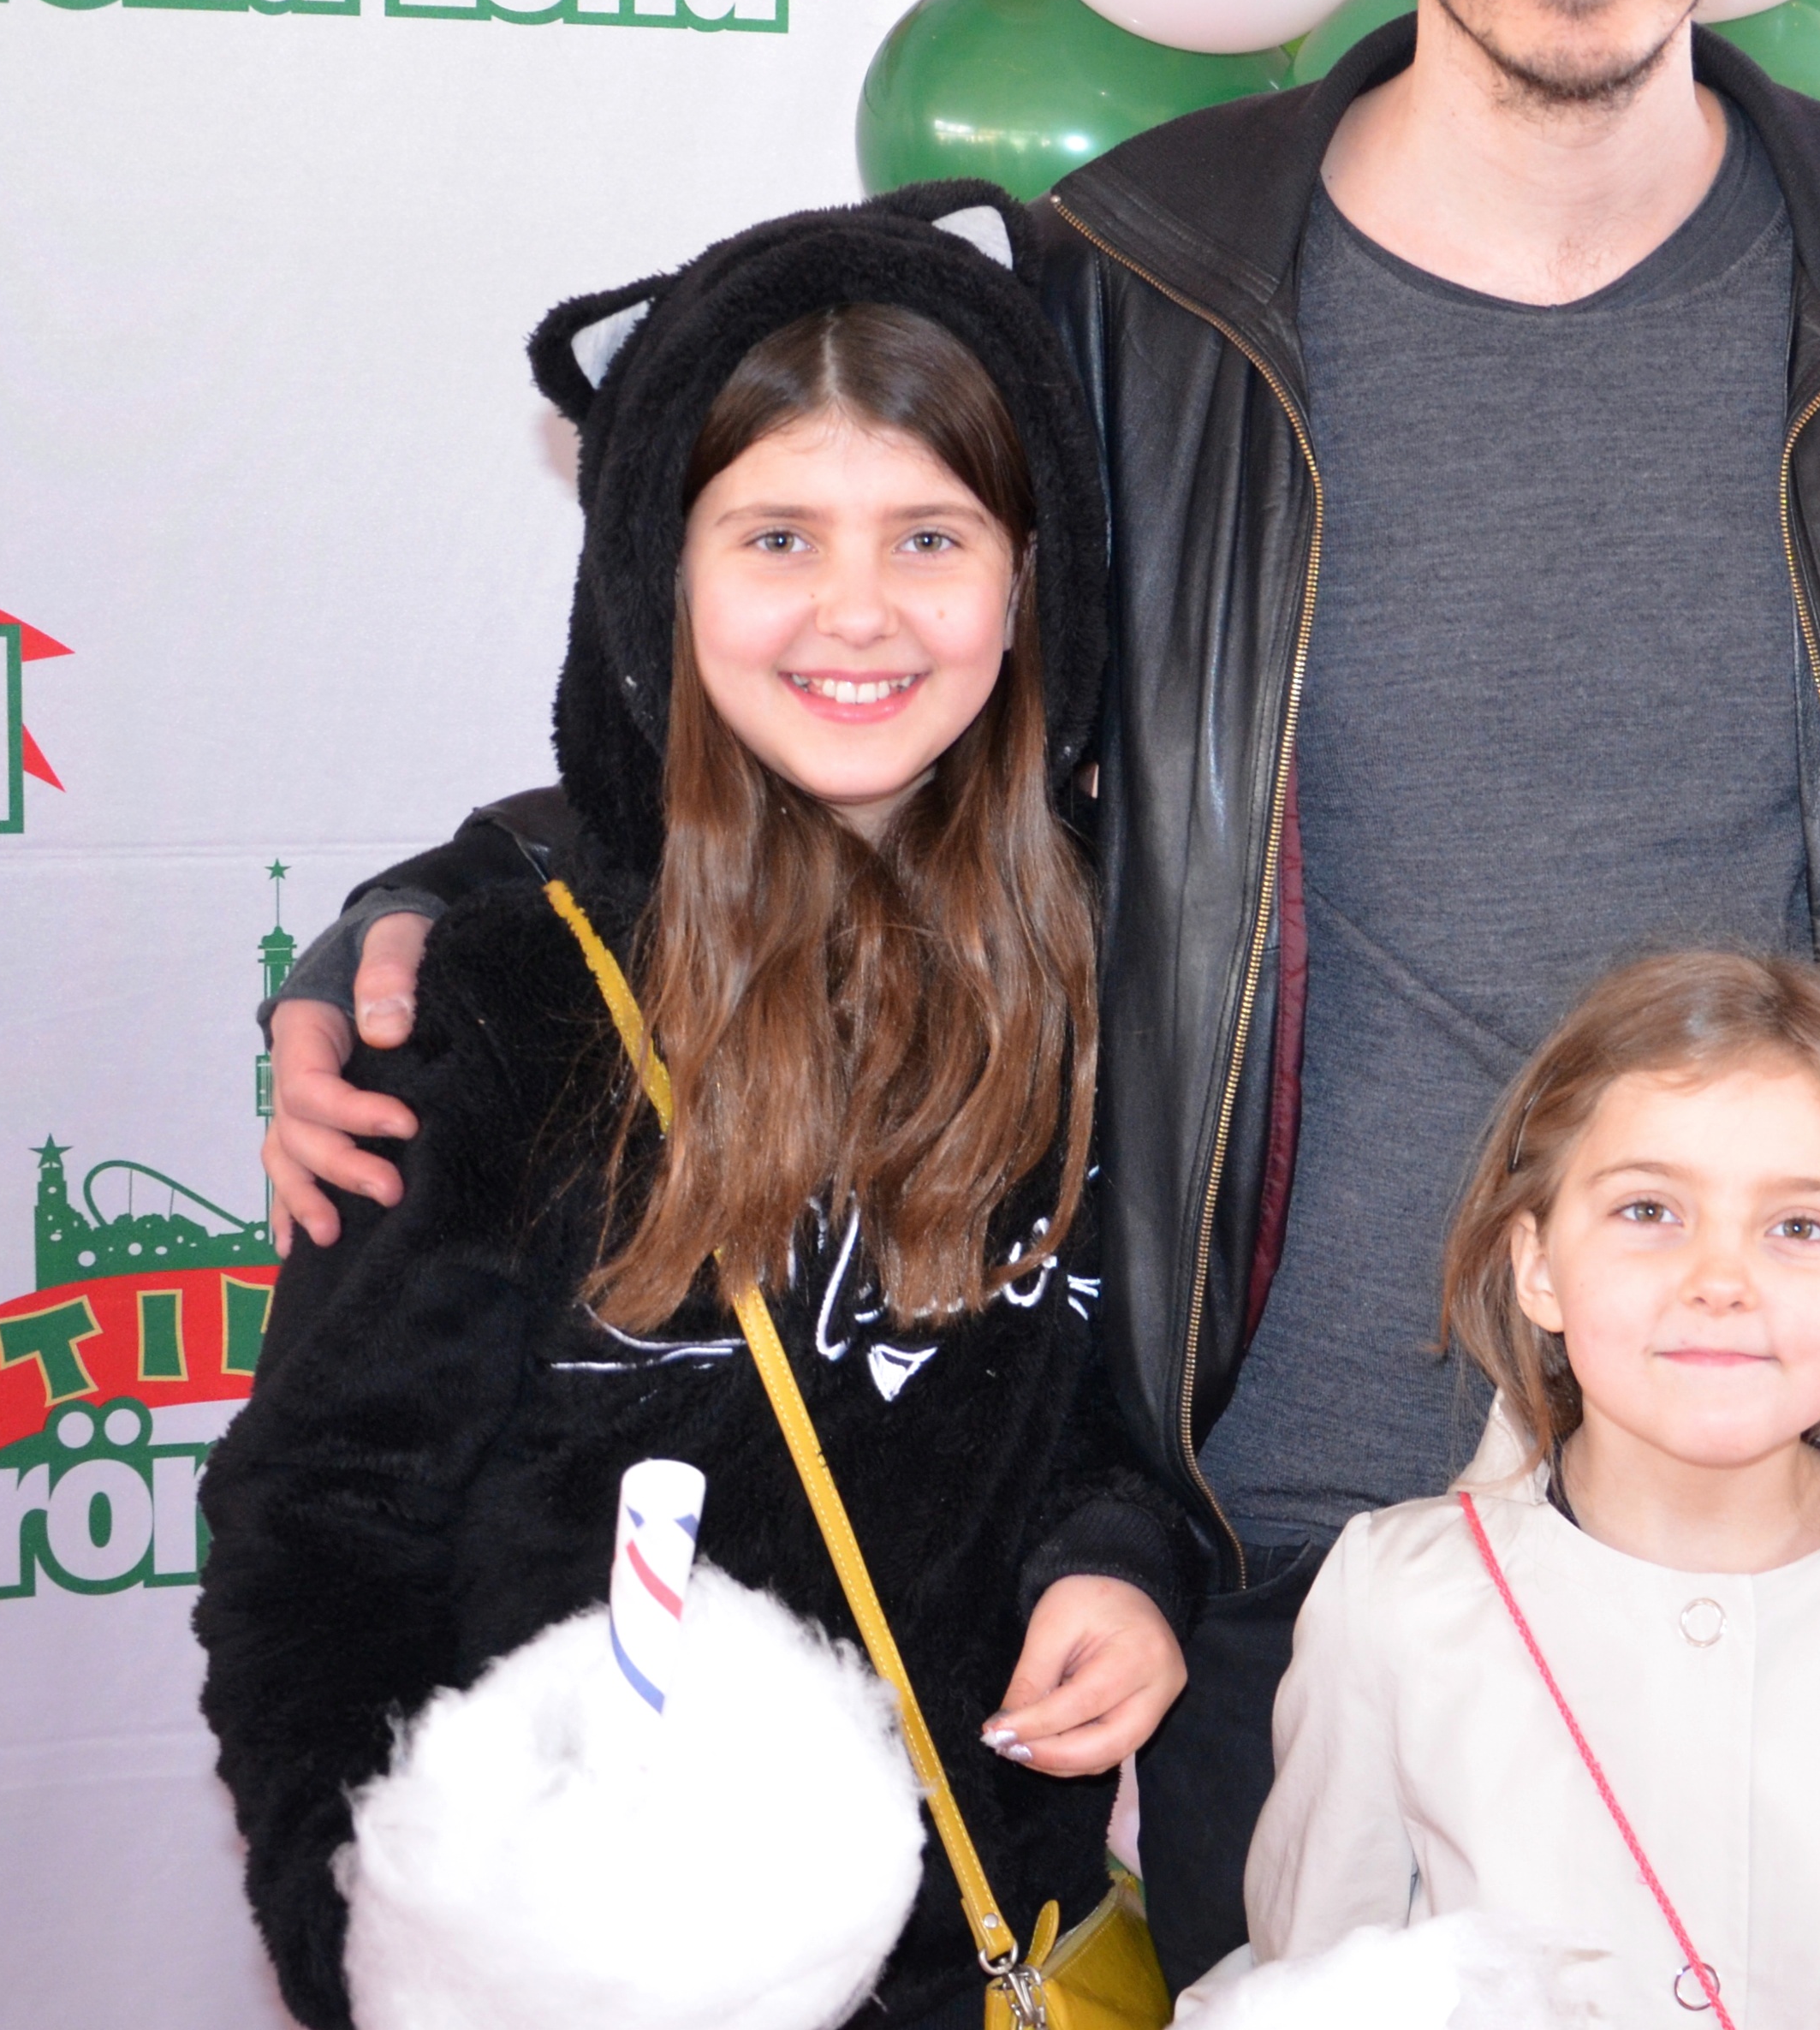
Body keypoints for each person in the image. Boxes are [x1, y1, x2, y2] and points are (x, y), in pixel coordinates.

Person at [250, 0, 1820, 1980]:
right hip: (1266, 1548)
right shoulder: (1138, 291)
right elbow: (863, 702)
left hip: (1787, 1536)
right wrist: (428, 922)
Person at [196, 188, 1193, 2030]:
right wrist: (377, 1959)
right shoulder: (499, 998)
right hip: (577, 1978)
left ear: (1031, 575)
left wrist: (1119, 1566)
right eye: (777, 536)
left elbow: (1104, 1419)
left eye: (930, 536)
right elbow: (321, 1532)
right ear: (658, 570)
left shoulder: (1118, 979)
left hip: (979, 1950)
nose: (856, 609)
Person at [1233, 948, 1820, 2024]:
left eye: (1799, 1227)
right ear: (1537, 1265)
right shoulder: (1396, 1604)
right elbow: (1311, 1989)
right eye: (1648, 1210)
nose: (1720, 1281)